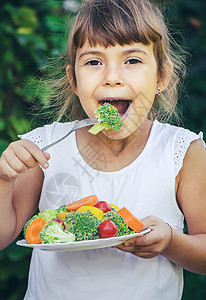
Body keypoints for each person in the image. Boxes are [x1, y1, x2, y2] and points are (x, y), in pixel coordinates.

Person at [0, 0, 206, 299]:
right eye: (94, 62)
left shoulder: (183, 151)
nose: (112, 76)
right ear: (74, 80)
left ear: (161, 76)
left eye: (132, 60)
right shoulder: (44, 147)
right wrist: (4, 180)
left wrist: (171, 242)